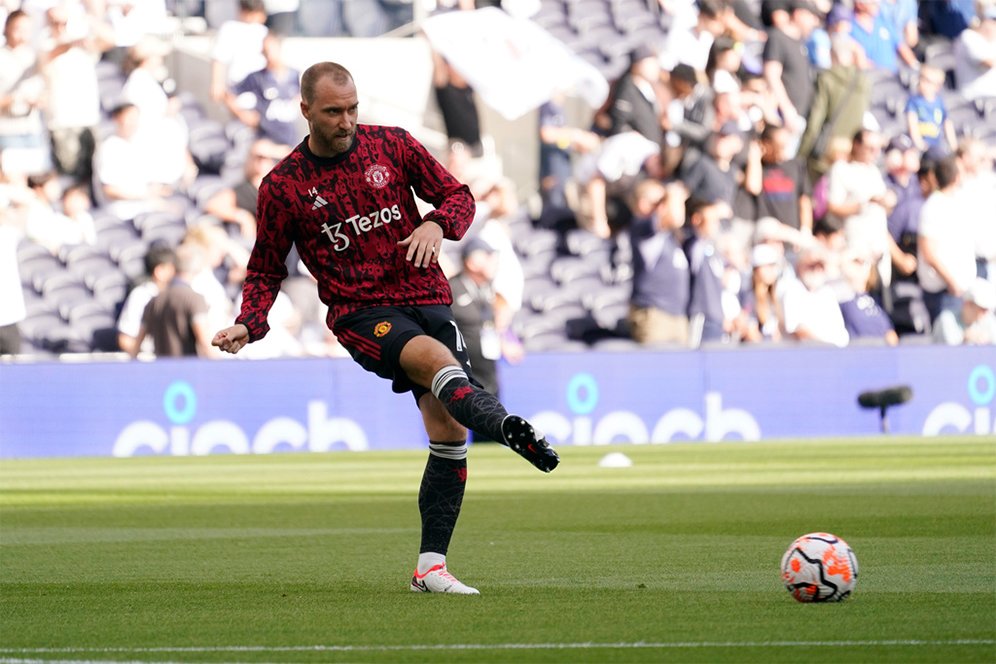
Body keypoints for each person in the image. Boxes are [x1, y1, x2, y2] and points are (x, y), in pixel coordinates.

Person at [210, 61, 559, 595]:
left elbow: (459, 196)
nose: (346, 121)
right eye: (333, 112)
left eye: (352, 109)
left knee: (446, 431)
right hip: (361, 314)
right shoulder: (282, 186)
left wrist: (436, 222)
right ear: (305, 110)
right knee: (438, 365)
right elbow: (264, 268)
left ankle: (430, 568)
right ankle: (507, 426)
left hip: (427, 296)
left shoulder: (392, 145)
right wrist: (249, 323)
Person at [132, 242, 214, 358]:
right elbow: (205, 343)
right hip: (188, 372)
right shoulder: (195, 299)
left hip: (161, 371)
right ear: (196, 270)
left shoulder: (154, 300)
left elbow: (136, 346)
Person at [117, 244, 177, 356]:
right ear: (159, 271)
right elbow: (125, 339)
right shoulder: (140, 296)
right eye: (172, 268)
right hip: (149, 360)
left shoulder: (179, 293)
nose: (176, 273)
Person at [905, 65, 958, 156]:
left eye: (929, 82)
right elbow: (912, 124)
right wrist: (919, 144)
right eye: (922, 79)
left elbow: (947, 124)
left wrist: (954, 146)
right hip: (921, 147)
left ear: (938, 86)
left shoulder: (939, 103)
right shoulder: (913, 101)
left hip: (937, 145)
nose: (924, 84)